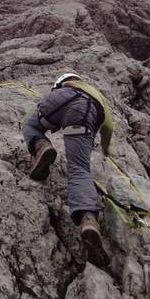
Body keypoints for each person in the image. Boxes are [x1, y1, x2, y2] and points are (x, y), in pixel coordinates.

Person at [22, 73, 115, 268]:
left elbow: (28, 119)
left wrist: (35, 138)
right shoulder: (96, 94)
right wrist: (107, 151)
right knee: (79, 168)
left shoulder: (61, 89)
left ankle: (42, 146)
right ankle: (88, 220)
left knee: (31, 126)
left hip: (59, 102)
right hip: (85, 111)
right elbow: (109, 127)